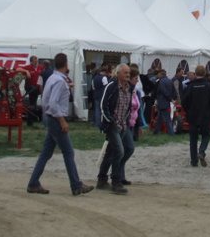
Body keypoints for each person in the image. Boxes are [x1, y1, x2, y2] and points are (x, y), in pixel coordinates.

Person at [27, 53, 94, 196]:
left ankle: (33, 183)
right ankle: (76, 185)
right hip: (55, 119)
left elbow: (48, 100)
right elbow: (53, 103)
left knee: (46, 153)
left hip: (49, 117)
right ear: (66, 64)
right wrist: (62, 120)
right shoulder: (59, 81)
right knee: (68, 152)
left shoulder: (53, 78)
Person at [97, 64, 135, 194]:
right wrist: (109, 120)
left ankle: (102, 179)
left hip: (123, 124)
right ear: (118, 74)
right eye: (125, 72)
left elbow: (128, 107)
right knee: (119, 151)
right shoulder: (111, 86)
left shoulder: (130, 88)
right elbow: (103, 104)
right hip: (112, 125)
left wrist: (127, 120)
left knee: (127, 149)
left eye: (129, 73)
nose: (128, 75)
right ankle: (116, 181)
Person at [182, 64, 210, 167]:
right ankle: (201, 151)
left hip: (193, 116)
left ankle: (194, 161)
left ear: (195, 73)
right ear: (205, 73)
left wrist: (188, 111)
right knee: (206, 135)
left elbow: (184, 102)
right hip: (205, 115)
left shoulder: (190, 86)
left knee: (193, 138)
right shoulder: (209, 86)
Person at [153, 69, 175, 135]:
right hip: (166, 102)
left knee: (167, 119)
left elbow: (163, 91)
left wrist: (169, 98)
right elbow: (173, 91)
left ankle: (171, 133)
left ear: (161, 74)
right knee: (159, 118)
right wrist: (171, 98)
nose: (158, 75)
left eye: (158, 74)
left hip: (162, 101)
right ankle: (156, 131)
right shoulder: (170, 81)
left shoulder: (161, 81)